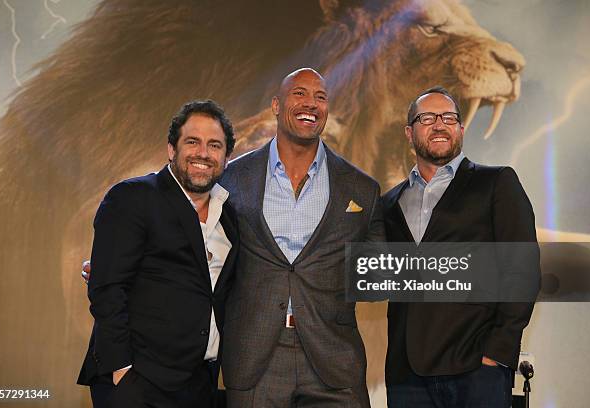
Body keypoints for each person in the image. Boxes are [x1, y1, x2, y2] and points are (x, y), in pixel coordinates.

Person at [216, 67, 384, 407]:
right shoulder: (231, 179)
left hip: (333, 359)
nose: (311, 103)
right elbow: (195, 242)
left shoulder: (361, 188)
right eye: (300, 93)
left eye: (321, 97)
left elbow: (379, 270)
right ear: (277, 105)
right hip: (255, 359)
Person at [382, 86, 540, 407]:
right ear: (409, 133)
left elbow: (521, 270)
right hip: (406, 377)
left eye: (449, 117)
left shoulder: (496, 183)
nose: (439, 124)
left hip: (476, 371)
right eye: (427, 118)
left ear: (461, 129)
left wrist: (497, 352)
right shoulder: (388, 203)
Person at [77, 100, 239, 408]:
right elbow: (108, 288)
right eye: (192, 142)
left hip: (201, 385)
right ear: (171, 149)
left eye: (214, 145)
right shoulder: (133, 197)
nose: (203, 153)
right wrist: (122, 372)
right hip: (140, 385)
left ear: (226, 158)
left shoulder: (229, 216)